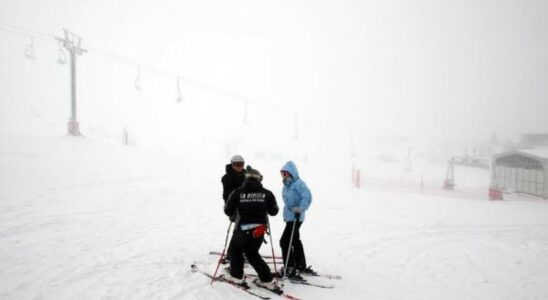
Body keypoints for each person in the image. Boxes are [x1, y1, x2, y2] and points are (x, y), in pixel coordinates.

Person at [222, 168, 280, 291]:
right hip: (259, 230)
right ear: (259, 179)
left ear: (246, 178)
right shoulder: (267, 193)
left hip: (242, 229)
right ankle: (267, 280)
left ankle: (236, 276)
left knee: (235, 250)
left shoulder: (237, 192)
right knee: (252, 253)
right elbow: (274, 211)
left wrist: (236, 210)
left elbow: (227, 210)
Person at [279, 161, 315, 279]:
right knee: (294, 240)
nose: (283, 176)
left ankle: (289, 267)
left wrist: (300, 208)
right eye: (282, 173)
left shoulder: (299, 184)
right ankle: (300, 265)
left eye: (285, 173)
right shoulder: (286, 185)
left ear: (292, 173)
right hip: (290, 217)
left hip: (296, 217)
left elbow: (307, 196)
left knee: (284, 241)